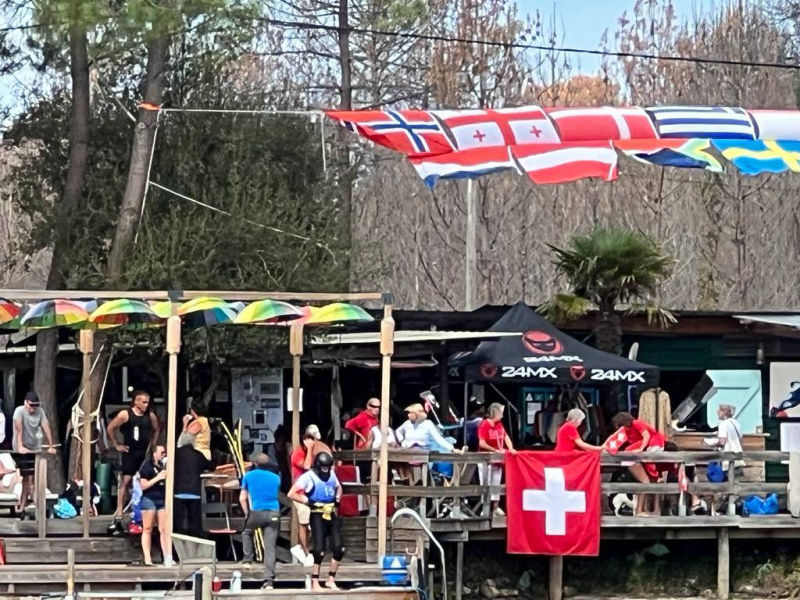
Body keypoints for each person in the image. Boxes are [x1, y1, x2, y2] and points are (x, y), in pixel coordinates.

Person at [288, 452, 343, 592]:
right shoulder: (308, 476)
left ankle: (331, 579)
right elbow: (291, 493)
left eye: (328, 468)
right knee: (319, 549)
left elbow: (338, 486)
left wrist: (338, 498)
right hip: (317, 513)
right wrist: (307, 501)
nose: (326, 470)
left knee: (338, 548)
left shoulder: (332, 474)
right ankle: (315, 581)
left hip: (330, 512)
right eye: (324, 468)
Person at [107, 390, 159, 520]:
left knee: (144, 479)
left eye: (148, 402)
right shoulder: (126, 414)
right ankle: (119, 509)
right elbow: (110, 428)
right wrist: (116, 444)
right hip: (130, 451)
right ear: (136, 402)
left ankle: (143, 508)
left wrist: (153, 443)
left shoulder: (150, 415)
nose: (146, 405)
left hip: (144, 452)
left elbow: (156, 429)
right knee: (126, 480)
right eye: (144, 402)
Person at [606, 411, 667, 516]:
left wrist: (641, 449)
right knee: (645, 483)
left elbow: (646, 435)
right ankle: (639, 510)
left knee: (646, 483)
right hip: (631, 460)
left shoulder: (637, 423)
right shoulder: (626, 430)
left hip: (638, 455)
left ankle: (642, 510)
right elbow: (614, 441)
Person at [289, 425, 331, 565]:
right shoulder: (297, 453)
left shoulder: (313, 453)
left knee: (316, 522)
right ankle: (306, 552)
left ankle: (303, 548)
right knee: (304, 522)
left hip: (312, 493)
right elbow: (307, 467)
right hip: (299, 493)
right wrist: (310, 448)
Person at [239, 453, 281, 590]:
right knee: (270, 547)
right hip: (274, 513)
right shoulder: (276, 478)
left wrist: (247, 514)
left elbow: (242, 498)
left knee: (247, 532)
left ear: (255, 463)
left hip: (257, 512)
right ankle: (269, 581)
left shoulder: (248, 476)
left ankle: (247, 560)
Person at [12, 391, 57, 513]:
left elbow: (46, 426)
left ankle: (35, 505)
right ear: (25, 403)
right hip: (21, 446)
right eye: (31, 405)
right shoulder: (19, 411)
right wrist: (20, 446)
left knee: (36, 477)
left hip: (34, 447)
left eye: (35, 405)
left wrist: (51, 445)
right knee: (27, 477)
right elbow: (18, 429)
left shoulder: (40, 412)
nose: (33, 408)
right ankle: (22, 506)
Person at [477, 403, 517, 516]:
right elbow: (482, 443)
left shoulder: (499, 424)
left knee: (496, 482)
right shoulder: (484, 424)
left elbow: (505, 436)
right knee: (486, 483)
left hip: (497, 460)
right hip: (486, 459)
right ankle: (485, 508)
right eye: (501, 412)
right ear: (495, 412)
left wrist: (511, 448)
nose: (502, 415)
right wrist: (495, 450)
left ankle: (495, 507)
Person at [174, 432, 214, 539]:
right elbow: (211, 466)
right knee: (194, 522)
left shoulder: (175, 454)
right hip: (194, 492)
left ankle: (178, 541)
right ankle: (195, 540)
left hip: (178, 492)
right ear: (193, 442)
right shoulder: (197, 455)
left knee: (178, 521)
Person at [139, 445, 168, 566]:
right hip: (149, 498)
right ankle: (147, 558)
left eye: (165, 452)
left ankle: (167, 556)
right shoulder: (147, 466)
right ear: (154, 454)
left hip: (162, 499)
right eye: (162, 452)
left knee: (164, 529)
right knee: (147, 528)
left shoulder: (163, 466)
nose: (164, 454)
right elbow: (143, 485)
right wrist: (158, 477)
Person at [396, 403, 461, 453]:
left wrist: (452, 449)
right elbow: (398, 431)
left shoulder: (427, 424)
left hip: (424, 452)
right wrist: (400, 439)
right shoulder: (407, 423)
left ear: (417, 413)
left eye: (411, 413)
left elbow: (438, 438)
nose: (409, 415)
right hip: (408, 451)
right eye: (409, 413)